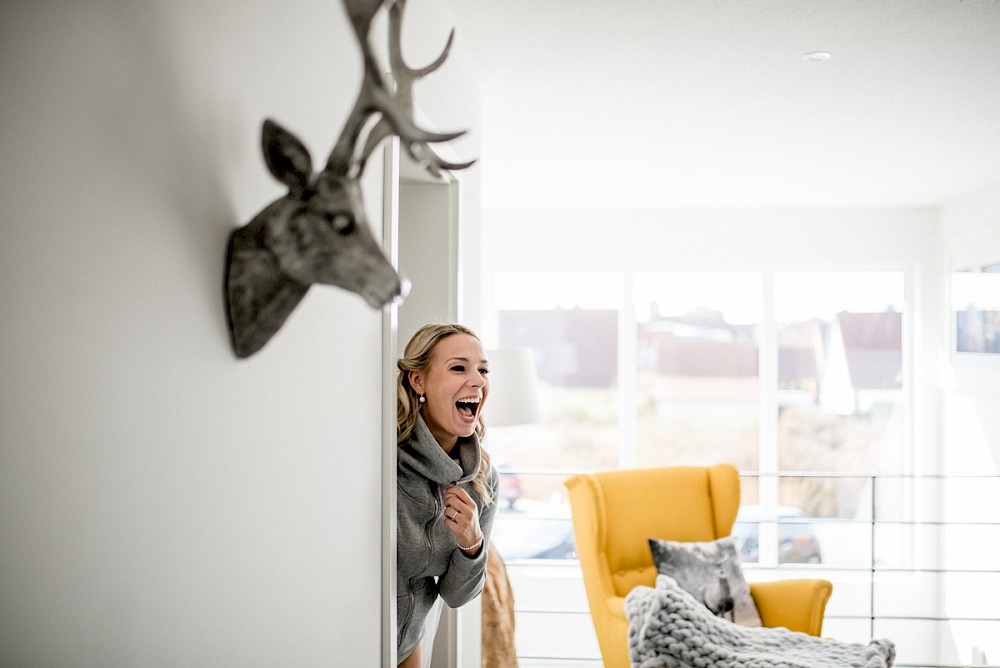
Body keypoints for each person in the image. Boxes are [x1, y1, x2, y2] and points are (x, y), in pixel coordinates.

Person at [396, 324, 499, 668]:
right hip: (350, 640)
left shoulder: (484, 479)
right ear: (418, 381)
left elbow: (455, 596)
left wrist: (472, 544)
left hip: (409, 646)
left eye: (482, 370)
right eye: (459, 367)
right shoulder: (383, 465)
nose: (478, 381)